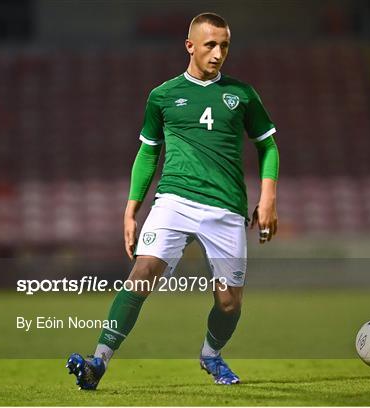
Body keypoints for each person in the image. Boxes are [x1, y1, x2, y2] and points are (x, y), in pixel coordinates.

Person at [66, 12, 279, 389]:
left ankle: (211, 356)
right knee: (142, 272)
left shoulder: (243, 95)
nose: (218, 54)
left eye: (224, 46)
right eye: (210, 45)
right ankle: (97, 361)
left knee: (230, 303)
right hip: (173, 202)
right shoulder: (162, 96)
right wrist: (131, 210)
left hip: (226, 208)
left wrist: (268, 199)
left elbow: (268, 146)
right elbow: (148, 154)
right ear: (190, 46)